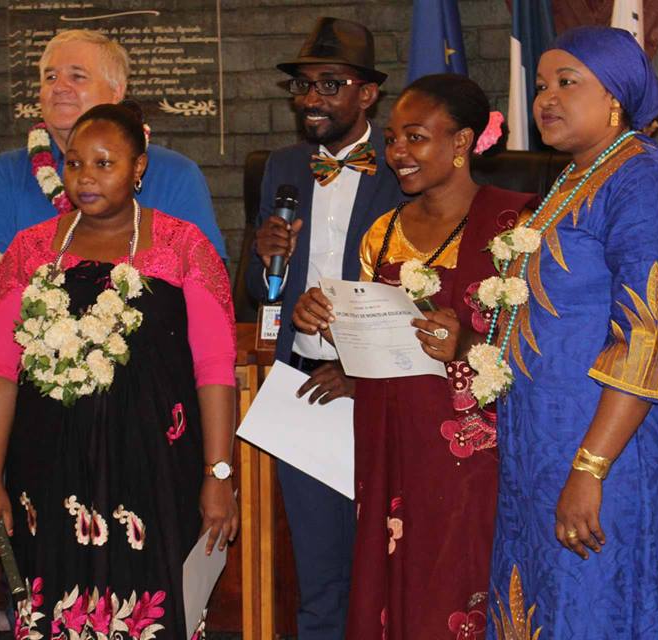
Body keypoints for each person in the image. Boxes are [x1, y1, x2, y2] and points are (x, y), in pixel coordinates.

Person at [0, 102, 238, 638]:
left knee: (155, 608)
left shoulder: (183, 246)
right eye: (73, 163)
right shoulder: (29, 249)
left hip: (156, 468)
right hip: (49, 468)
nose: (85, 177)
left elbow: (215, 369)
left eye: (103, 163)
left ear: (139, 167)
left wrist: (218, 475)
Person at [484, 27, 658, 639]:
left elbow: (651, 341)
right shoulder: (574, 178)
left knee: (589, 616)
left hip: (605, 456)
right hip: (544, 451)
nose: (546, 99)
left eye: (567, 82)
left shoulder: (647, 183)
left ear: (616, 95)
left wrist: (590, 468)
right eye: (541, 86)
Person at [293, 74, 537, 639]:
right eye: (393, 139)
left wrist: (468, 345)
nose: (398, 151)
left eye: (416, 137)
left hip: (477, 456)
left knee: (459, 589)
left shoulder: (517, 226)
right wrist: (324, 321)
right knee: (393, 586)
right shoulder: (382, 231)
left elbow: (547, 346)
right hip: (391, 443)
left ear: (462, 141)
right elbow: (370, 341)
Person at [243, 17, 404, 639]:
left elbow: (424, 288)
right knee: (318, 578)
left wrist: (361, 367)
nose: (311, 98)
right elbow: (263, 295)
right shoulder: (282, 167)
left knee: (385, 572)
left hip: (382, 393)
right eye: (303, 85)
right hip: (302, 389)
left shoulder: (403, 165)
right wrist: (266, 260)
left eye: (329, 84)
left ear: (368, 94)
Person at [0, 29, 226, 326]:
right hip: (34, 352)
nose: (60, 87)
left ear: (116, 92)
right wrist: (59, 349)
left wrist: (120, 348)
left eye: (77, 76)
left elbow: (207, 292)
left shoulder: (176, 175)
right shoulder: (1, 174)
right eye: (50, 77)